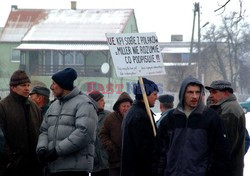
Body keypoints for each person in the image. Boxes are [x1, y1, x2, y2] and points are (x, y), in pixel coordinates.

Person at [153, 75, 230, 176]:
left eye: (197, 92)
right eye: (190, 92)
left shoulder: (210, 118)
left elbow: (220, 153)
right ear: (182, 94)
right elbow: (160, 152)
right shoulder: (171, 118)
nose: (194, 96)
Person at [36, 68, 98, 176]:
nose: (51, 87)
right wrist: (42, 148)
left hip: (75, 169)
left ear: (63, 85)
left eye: (54, 83)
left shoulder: (84, 104)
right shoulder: (53, 105)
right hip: (53, 168)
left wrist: (57, 151)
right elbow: (44, 130)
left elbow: (83, 133)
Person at [0, 70, 43, 176]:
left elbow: (42, 132)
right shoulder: (3, 107)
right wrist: (9, 161)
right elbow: (1, 140)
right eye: (23, 85)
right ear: (13, 87)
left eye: (28, 85)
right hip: (12, 168)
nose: (27, 88)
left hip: (34, 166)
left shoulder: (34, 107)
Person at [205, 80, 246, 176]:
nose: (210, 95)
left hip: (226, 171)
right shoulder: (227, 107)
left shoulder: (229, 110)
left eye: (214, 92)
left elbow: (224, 146)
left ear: (226, 93)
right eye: (210, 92)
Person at [121, 77, 159, 176]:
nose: (157, 97)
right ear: (145, 95)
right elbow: (146, 150)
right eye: (154, 94)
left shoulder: (134, 111)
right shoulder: (140, 116)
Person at [99, 92, 133, 176]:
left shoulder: (134, 117)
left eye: (128, 106)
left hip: (131, 161)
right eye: (123, 106)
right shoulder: (111, 118)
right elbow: (102, 134)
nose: (126, 109)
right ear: (119, 107)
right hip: (115, 162)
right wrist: (111, 148)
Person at [88, 90, 111, 176]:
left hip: (108, 162)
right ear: (94, 102)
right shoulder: (87, 115)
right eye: (101, 100)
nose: (104, 102)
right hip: (94, 163)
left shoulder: (109, 116)